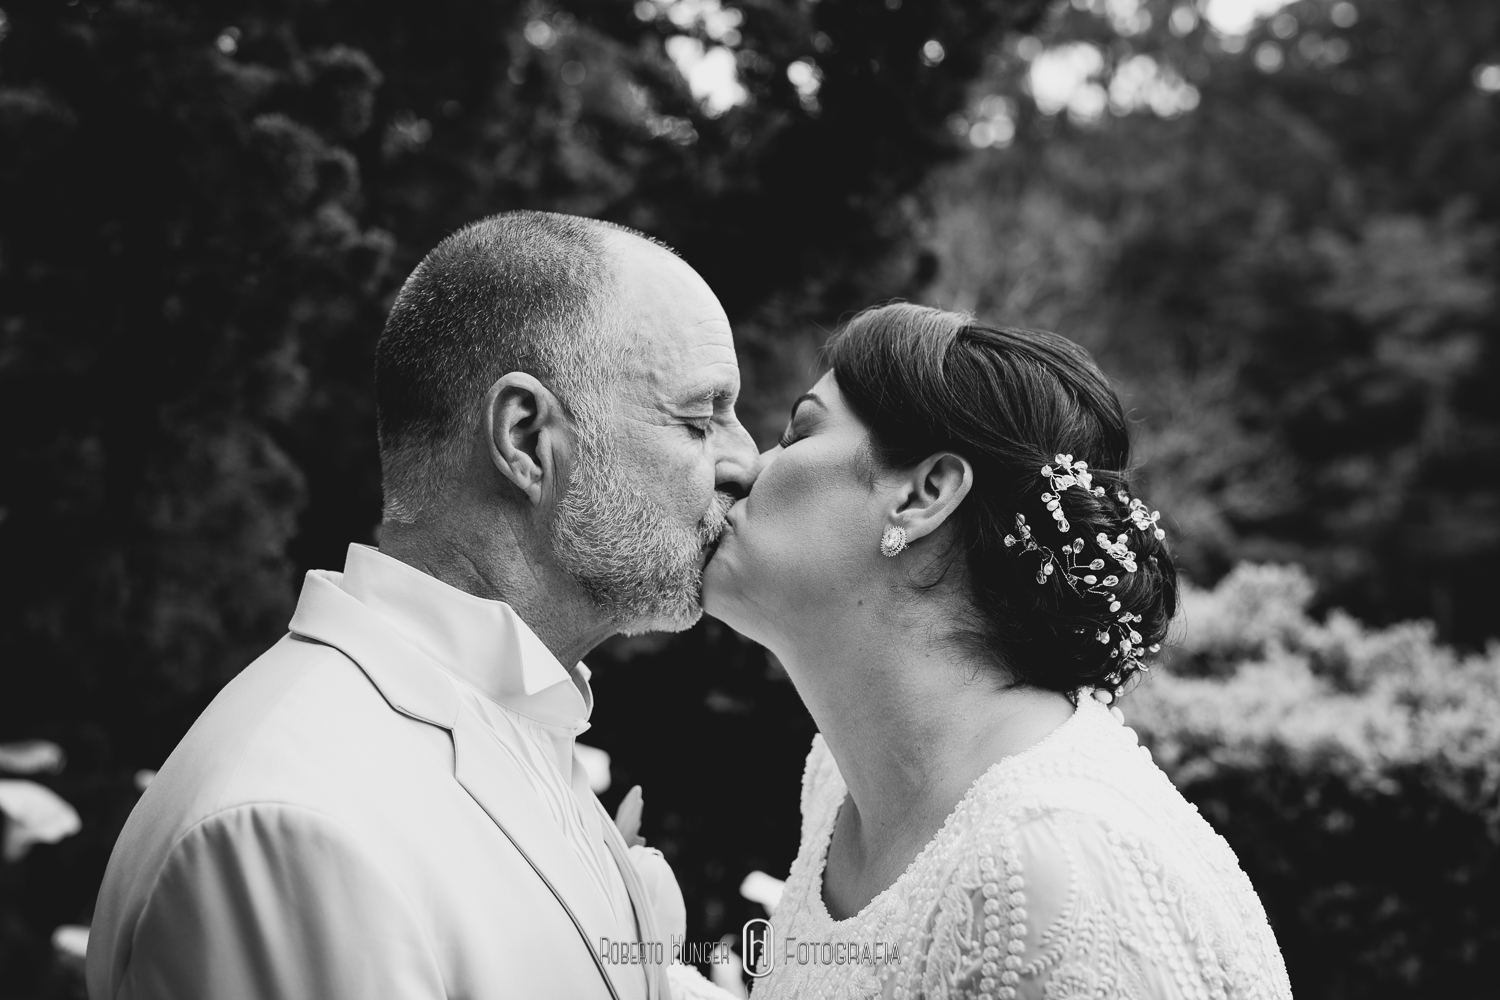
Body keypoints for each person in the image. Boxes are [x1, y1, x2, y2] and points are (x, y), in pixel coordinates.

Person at [87, 211, 758, 1000]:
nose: (743, 460)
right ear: (526, 439)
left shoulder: (516, 723)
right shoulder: (298, 827)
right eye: (699, 418)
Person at [703, 303, 1293, 1000]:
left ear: (924, 494)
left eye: (798, 431)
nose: (744, 467)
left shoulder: (1050, 868)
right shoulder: (839, 782)